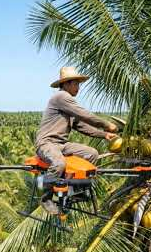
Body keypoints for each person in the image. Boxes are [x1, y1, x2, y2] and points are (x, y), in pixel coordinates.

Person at [35, 67, 118, 214]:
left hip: (62, 144)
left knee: (92, 153)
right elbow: (85, 115)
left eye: (79, 84)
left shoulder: (68, 106)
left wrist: (103, 134)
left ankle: (77, 190)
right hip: (46, 143)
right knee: (59, 163)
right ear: (66, 84)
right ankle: (46, 198)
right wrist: (106, 124)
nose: (78, 88)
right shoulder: (60, 97)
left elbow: (82, 126)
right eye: (75, 84)